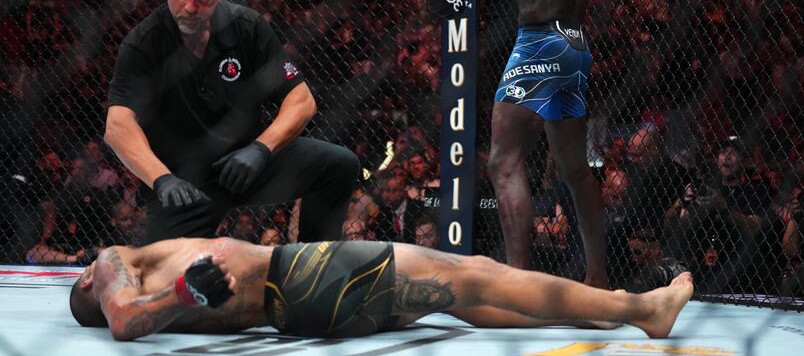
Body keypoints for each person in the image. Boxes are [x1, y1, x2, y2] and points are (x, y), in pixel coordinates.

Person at [427, 0, 611, 286]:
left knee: (504, 160)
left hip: (538, 42)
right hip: (574, 45)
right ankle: (598, 278)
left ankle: (517, 284)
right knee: (573, 168)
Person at [104, 0, 359, 244]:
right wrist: (162, 179)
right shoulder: (144, 42)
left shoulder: (246, 27)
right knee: (169, 279)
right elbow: (118, 125)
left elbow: (301, 100)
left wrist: (261, 149)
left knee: (339, 164)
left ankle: (312, 267)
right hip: (184, 182)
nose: (189, 6)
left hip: (245, 165)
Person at [69, 236, 693, 341]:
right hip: (308, 276)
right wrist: (184, 291)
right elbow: (124, 318)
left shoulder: (149, 280)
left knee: (469, 301)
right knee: (474, 273)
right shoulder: (113, 266)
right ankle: (642, 309)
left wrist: (182, 295)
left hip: (308, 306)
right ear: (87, 283)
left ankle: (594, 317)